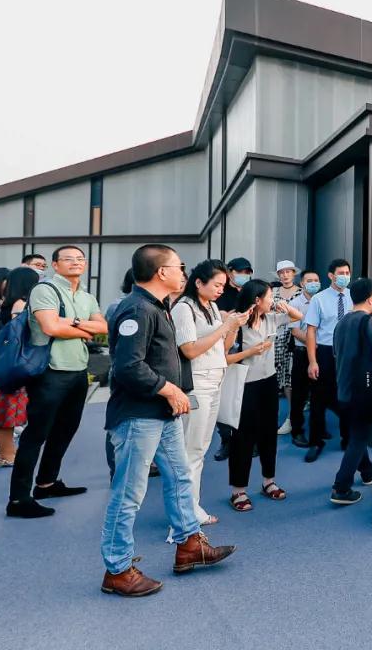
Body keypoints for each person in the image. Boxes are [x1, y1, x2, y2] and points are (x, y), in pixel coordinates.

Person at [100, 244, 236, 597]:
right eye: (179, 266)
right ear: (161, 272)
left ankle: (190, 544)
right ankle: (117, 569)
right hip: (139, 415)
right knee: (128, 494)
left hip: (163, 413)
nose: (183, 273)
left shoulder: (157, 306)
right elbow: (128, 366)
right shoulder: (138, 309)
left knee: (179, 477)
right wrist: (169, 389)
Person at [6, 246, 107, 519]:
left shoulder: (86, 295)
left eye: (80, 259)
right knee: (36, 434)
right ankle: (18, 499)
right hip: (49, 370)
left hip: (78, 369)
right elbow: (50, 327)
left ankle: (46, 484)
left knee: (65, 430)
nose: (75, 262)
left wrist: (70, 322)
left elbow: (103, 328)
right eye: (68, 259)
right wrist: (82, 327)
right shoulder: (45, 290)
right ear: (55, 264)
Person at [172, 260, 248, 526]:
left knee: (200, 448)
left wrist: (233, 326)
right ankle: (185, 512)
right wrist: (224, 327)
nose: (220, 290)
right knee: (190, 450)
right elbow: (189, 349)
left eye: (223, 286)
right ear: (198, 282)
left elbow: (223, 347)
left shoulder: (212, 307)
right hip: (197, 383)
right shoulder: (183, 308)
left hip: (215, 380)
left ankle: (190, 506)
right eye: (216, 285)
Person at [225, 279, 304, 511]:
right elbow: (224, 356)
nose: (273, 300)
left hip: (269, 382)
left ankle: (268, 481)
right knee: (243, 437)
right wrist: (251, 351)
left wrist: (284, 306)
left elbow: (298, 316)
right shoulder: (238, 322)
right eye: (270, 297)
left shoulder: (271, 318)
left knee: (269, 433)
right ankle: (238, 490)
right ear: (257, 300)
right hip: (245, 385)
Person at [330, 278, 372, 505]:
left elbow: (336, 353)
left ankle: (367, 470)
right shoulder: (368, 321)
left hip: (343, 387)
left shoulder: (342, 322)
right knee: (359, 437)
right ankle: (341, 487)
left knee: (357, 432)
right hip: (362, 389)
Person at [303, 258, 354, 462]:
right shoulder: (319, 299)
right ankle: (315, 442)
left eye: (347, 273)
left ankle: (348, 439)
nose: (345, 277)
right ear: (331, 275)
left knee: (348, 397)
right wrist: (312, 361)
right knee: (318, 399)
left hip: (349, 352)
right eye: (341, 273)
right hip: (325, 352)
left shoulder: (354, 296)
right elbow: (311, 331)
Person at [0, 267, 40, 467]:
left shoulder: (9, 303)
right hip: (13, 364)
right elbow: (19, 334)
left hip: (7, 363)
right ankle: (6, 455)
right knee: (6, 410)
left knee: (7, 410)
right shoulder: (20, 304)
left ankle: (7, 452)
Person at [210, 257, 253, 462]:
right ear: (230, 272)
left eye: (247, 273)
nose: (243, 276)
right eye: (240, 272)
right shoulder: (220, 293)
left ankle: (247, 440)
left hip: (250, 348)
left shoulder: (250, 292)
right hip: (224, 350)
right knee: (225, 398)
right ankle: (226, 439)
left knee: (246, 398)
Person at [283, 269, 322, 445]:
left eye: (316, 280)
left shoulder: (322, 300)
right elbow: (295, 331)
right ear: (302, 284)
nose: (313, 283)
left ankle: (319, 429)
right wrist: (314, 343)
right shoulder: (295, 303)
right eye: (309, 280)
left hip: (321, 352)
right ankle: (297, 431)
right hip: (302, 353)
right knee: (299, 394)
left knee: (319, 393)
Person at [272, 261, 301, 417]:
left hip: (293, 340)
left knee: (290, 379)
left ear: (293, 273)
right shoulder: (272, 292)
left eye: (288, 271)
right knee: (273, 378)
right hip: (274, 340)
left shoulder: (301, 292)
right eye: (281, 272)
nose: (285, 275)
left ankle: (291, 415)